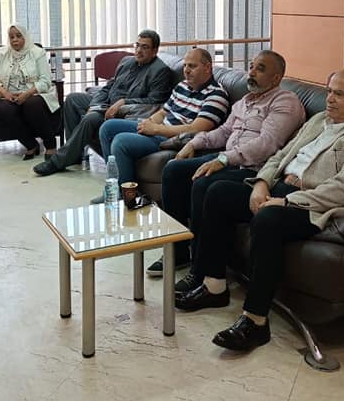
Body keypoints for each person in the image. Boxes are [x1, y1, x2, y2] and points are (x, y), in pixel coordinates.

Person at [175, 69, 344, 353]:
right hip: (282, 188)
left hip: (318, 204)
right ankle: (214, 285)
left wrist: (288, 201)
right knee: (218, 193)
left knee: (268, 218)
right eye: (329, 91)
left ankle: (255, 320)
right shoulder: (320, 120)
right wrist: (262, 183)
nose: (329, 99)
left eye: (339, 94)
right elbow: (280, 156)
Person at [153, 50, 305, 282]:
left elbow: (267, 144)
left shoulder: (285, 102)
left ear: (276, 78)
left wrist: (224, 159)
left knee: (202, 182)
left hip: (253, 168)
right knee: (173, 170)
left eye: (260, 68)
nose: (251, 72)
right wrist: (194, 143)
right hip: (228, 157)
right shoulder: (244, 101)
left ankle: (200, 269)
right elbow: (224, 132)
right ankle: (179, 250)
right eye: (251, 66)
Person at [96, 48, 229, 203]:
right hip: (159, 129)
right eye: (185, 65)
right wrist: (149, 122)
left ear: (207, 67)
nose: (186, 70)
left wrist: (156, 129)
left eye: (192, 66)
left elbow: (196, 128)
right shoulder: (182, 86)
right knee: (107, 128)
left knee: (121, 141)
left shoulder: (217, 96)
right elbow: (163, 112)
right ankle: (114, 185)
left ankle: (124, 196)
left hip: (173, 139)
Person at [33, 29, 173, 177]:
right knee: (72, 99)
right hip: (106, 103)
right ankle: (75, 154)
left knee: (90, 118)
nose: (138, 50)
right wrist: (94, 105)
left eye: (144, 47)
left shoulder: (160, 71)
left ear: (155, 51)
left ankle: (57, 161)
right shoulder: (127, 61)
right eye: (137, 45)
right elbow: (108, 86)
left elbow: (154, 102)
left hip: (124, 113)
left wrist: (123, 102)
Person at [0, 23, 60, 159]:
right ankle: (31, 145)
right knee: (3, 109)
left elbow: (46, 80)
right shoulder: (1, 53)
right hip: (9, 96)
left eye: (18, 36)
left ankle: (51, 145)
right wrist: (5, 93)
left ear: (25, 36)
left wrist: (27, 94)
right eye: (11, 37)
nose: (15, 40)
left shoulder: (37, 52)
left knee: (31, 104)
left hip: (35, 94)